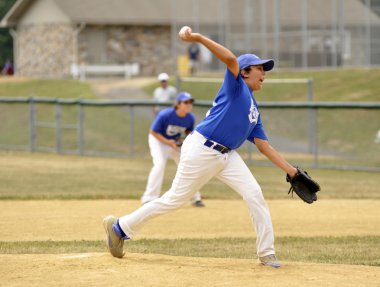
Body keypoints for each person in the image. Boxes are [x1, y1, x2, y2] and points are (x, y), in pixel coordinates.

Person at [103, 26, 298, 268]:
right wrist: (197, 38)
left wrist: (293, 172)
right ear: (245, 72)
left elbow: (264, 146)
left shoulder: (253, 111)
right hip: (201, 149)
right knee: (173, 200)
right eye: (259, 68)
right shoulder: (236, 86)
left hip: (228, 157)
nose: (264, 73)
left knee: (254, 194)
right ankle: (119, 228)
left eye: (264, 69)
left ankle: (266, 253)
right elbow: (229, 58)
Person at [141, 91, 205, 207]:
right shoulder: (165, 115)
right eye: (186, 102)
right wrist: (168, 142)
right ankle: (149, 198)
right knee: (159, 164)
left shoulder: (190, 118)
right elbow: (153, 132)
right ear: (178, 104)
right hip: (158, 141)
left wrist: (182, 142)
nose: (189, 104)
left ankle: (195, 198)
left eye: (190, 102)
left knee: (188, 165)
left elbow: (188, 133)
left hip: (174, 143)